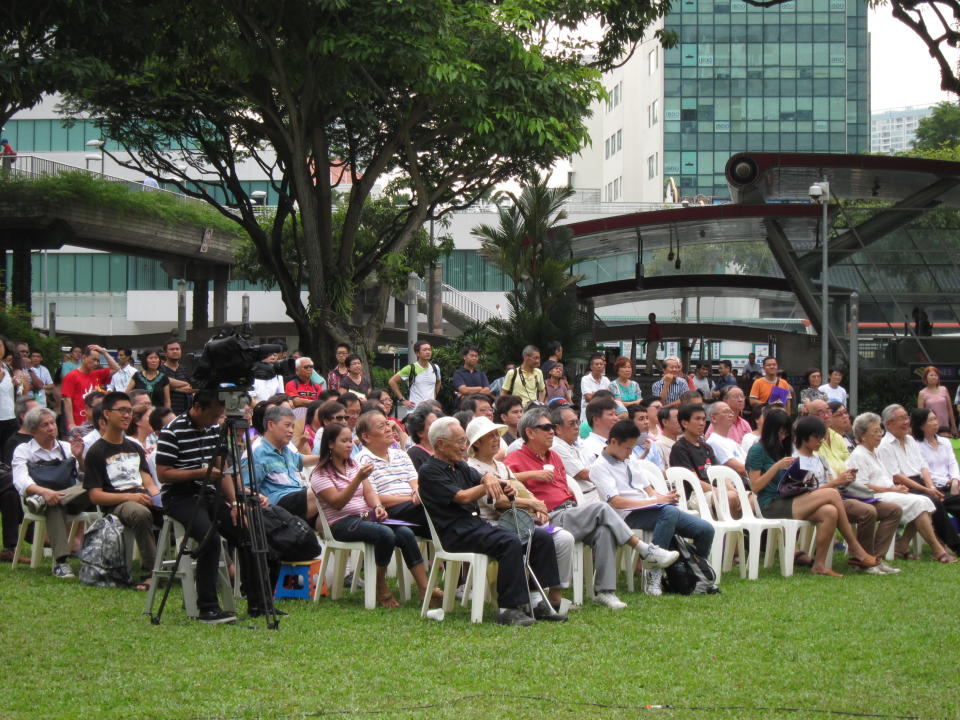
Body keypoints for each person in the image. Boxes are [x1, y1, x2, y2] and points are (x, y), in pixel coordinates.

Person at [504, 406, 679, 610]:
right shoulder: (515, 458)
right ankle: (644, 550)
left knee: (604, 530)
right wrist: (532, 475)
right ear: (530, 432)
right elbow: (504, 480)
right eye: (546, 427)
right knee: (601, 509)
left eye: (552, 427)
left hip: (571, 511)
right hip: (549, 516)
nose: (552, 431)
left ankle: (605, 592)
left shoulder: (553, 456)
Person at [418, 417, 564, 625]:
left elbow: (482, 478)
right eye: (460, 442)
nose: (464, 447)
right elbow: (463, 497)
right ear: (441, 444)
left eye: (465, 441)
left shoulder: (459, 466)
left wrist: (503, 483)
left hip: (475, 527)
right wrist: (488, 481)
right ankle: (507, 608)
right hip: (455, 533)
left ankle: (537, 600)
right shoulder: (430, 470)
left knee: (537, 536)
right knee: (509, 541)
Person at [156, 391, 272, 623]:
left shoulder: (212, 431)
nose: (215, 420)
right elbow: (163, 475)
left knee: (247, 531)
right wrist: (199, 473)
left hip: (210, 492)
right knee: (209, 539)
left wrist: (234, 502)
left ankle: (259, 602)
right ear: (197, 407)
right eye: (213, 415)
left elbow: (223, 470)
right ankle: (207, 606)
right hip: (180, 496)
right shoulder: (172, 431)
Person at [311, 422, 439, 608]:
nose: (349, 445)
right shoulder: (320, 474)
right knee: (384, 534)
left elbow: (370, 493)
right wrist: (357, 480)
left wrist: (378, 506)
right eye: (344, 441)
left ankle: (424, 588)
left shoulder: (353, 465)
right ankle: (380, 585)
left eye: (349, 441)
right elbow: (337, 503)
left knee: (404, 532)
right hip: (340, 523)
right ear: (330, 444)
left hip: (364, 517)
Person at [745, 410, 880, 576]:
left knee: (830, 512)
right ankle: (854, 547)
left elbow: (789, 482)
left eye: (786, 432)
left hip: (789, 498)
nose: (783, 436)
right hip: (770, 505)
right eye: (780, 432)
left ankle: (819, 565)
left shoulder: (783, 448)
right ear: (770, 430)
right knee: (832, 493)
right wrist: (776, 467)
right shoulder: (758, 450)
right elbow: (755, 487)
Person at [591, 420, 715, 595]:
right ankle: (653, 574)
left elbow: (647, 488)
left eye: (632, 448)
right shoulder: (599, 467)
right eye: (627, 448)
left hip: (655, 509)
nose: (629, 453)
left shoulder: (630, 458)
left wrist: (662, 498)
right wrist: (654, 502)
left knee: (705, 529)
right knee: (669, 512)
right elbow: (617, 502)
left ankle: (696, 573)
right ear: (613, 442)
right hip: (627, 515)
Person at [466, 415, 573, 611]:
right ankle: (527, 599)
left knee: (560, 537)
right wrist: (532, 504)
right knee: (538, 536)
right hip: (489, 524)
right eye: (490, 436)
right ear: (477, 443)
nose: (497, 439)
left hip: (515, 521)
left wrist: (537, 506)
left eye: (497, 435)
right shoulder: (472, 468)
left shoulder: (501, 466)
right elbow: (497, 502)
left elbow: (522, 490)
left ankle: (542, 596)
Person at [847, 412, 954, 563]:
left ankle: (903, 545)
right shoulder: (859, 455)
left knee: (923, 502)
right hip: (873, 497)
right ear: (863, 436)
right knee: (920, 502)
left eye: (880, 431)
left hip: (888, 492)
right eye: (875, 432)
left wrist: (897, 488)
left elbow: (887, 477)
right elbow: (862, 486)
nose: (879, 435)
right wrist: (892, 489)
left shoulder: (874, 452)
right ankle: (937, 550)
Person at [83, 392, 163, 590]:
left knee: (179, 507)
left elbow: (146, 479)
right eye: (122, 411)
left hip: (142, 495)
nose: (127, 415)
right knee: (140, 513)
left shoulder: (134, 447)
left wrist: (157, 497)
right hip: (117, 503)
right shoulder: (96, 451)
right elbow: (95, 495)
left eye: (130, 411)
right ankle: (150, 572)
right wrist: (130, 496)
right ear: (107, 414)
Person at [11, 407, 87, 578]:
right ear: (33, 430)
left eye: (52, 423)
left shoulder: (67, 448)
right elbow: (20, 480)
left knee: (89, 485)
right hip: (44, 500)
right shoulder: (24, 450)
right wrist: (44, 492)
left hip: (70, 499)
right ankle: (60, 563)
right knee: (53, 505)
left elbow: (84, 475)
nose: (52, 427)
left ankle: (61, 563)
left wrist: (79, 457)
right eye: (45, 425)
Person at [878, 404, 960, 554]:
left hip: (921, 484)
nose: (906, 422)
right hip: (903, 486)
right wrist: (927, 490)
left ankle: (902, 544)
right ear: (888, 423)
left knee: (953, 500)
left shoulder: (909, 440)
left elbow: (923, 467)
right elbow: (896, 476)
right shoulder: (884, 445)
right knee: (933, 502)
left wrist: (931, 487)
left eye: (906, 418)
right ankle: (954, 545)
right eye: (901, 419)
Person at [240, 405, 319, 525]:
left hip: (299, 497)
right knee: (324, 489)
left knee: (332, 519)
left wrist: (327, 458)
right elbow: (244, 488)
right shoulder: (257, 452)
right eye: (287, 425)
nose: (292, 431)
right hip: (278, 505)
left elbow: (300, 459)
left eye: (292, 426)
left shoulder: (285, 449)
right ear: (271, 425)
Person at [670, 403, 741, 516]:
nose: (702, 423)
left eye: (703, 419)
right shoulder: (679, 448)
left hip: (714, 491)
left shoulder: (706, 447)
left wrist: (734, 490)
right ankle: (730, 533)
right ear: (685, 423)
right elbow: (694, 482)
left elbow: (720, 474)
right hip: (695, 495)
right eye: (697, 419)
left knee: (751, 499)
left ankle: (742, 532)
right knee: (730, 497)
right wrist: (721, 491)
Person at [61, 344, 122, 432]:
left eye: (98, 360)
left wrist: (104, 352)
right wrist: (71, 423)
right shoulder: (72, 376)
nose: (96, 363)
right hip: (80, 422)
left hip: (97, 423)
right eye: (94, 359)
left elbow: (116, 368)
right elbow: (67, 400)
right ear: (84, 357)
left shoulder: (97, 374)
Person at [913, 407, 960, 513]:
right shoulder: (917, 446)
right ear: (921, 425)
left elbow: (953, 463)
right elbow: (924, 472)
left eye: (935, 419)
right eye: (930, 420)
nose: (935, 422)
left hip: (954, 483)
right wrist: (947, 482)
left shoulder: (945, 442)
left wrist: (955, 479)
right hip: (936, 487)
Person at [550, 404, 599, 502]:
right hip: (584, 497)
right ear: (558, 429)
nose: (577, 427)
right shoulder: (556, 446)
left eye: (577, 422)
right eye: (572, 423)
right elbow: (583, 474)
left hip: (594, 492)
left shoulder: (575, 443)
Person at [389, 341, 440, 418]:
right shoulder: (410, 368)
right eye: (424, 350)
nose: (428, 352)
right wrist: (403, 400)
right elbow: (392, 381)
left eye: (429, 349)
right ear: (417, 353)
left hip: (431, 411)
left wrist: (434, 396)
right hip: (415, 411)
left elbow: (438, 382)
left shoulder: (435, 368)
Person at [705, 401, 748, 482]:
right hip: (736, 486)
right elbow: (740, 468)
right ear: (714, 418)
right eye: (725, 412)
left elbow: (748, 463)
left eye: (731, 412)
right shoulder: (714, 441)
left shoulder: (732, 442)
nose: (731, 415)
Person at [917, 365, 956, 437]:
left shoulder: (944, 389)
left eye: (936, 375)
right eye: (931, 375)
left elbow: (950, 410)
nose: (934, 377)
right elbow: (920, 415)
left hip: (945, 428)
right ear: (926, 377)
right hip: (930, 428)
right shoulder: (922, 393)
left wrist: (953, 426)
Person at [581, 395, 620, 464]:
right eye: (611, 414)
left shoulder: (620, 443)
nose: (616, 418)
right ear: (596, 419)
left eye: (616, 414)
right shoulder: (587, 448)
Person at [159, 339, 194, 416]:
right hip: (166, 413)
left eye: (177, 349)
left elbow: (191, 388)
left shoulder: (187, 369)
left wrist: (172, 387)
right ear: (165, 353)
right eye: (172, 349)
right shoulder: (160, 369)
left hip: (186, 413)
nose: (175, 351)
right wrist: (182, 387)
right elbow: (162, 383)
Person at [628, 404, 665, 471]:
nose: (646, 422)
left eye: (647, 418)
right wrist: (645, 453)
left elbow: (660, 468)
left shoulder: (652, 443)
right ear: (630, 423)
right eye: (641, 419)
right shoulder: (626, 446)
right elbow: (632, 470)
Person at [405, 407, 440, 471]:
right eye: (433, 425)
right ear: (420, 433)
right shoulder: (414, 454)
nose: (439, 427)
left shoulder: (443, 449)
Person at [579, 353, 611, 422]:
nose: (599, 366)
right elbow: (588, 398)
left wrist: (594, 394)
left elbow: (610, 397)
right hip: (587, 416)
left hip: (603, 414)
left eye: (601, 364)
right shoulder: (585, 379)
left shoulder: (606, 380)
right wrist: (603, 394)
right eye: (596, 364)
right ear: (591, 367)